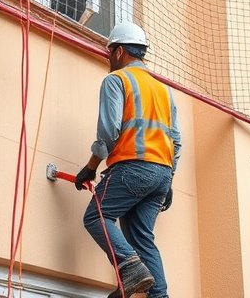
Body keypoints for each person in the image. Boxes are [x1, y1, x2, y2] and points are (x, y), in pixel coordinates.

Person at [75, 22, 181, 298]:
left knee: (97, 216)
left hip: (132, 167)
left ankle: (129, 268)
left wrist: (90, 168)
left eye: (110, 52)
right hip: (161, 174)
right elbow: (176, 140)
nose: (109, 59)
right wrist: (168, 179)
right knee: (141, 238)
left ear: (119, 51)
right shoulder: (163, 91)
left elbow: (109, 132)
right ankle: (159, 295)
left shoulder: (116, 80)